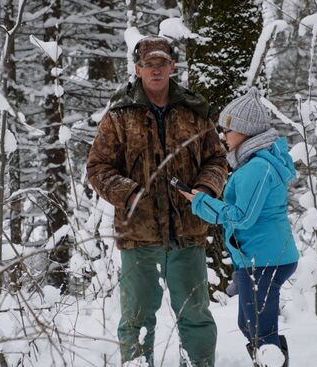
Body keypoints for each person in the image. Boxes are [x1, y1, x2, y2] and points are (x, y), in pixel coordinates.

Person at [86, 36, 228, 366]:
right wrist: (130, 193)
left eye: (162, 63)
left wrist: (205, 190)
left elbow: (217, 160)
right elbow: (97, 168)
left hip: (187, 232)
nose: (156, 70)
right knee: (136, 321)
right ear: (137, 69)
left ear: (172, 67)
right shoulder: (119, 114)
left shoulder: (195, 112)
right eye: (149, 64)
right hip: (138, 235)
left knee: (195, 316)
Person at [180, 88, 299, 366]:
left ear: (246, 131)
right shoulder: (254, 164)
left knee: (261, 330)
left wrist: (201, 202)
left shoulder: (259, 168)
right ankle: (269, 358)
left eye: (228, 129)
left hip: (265, 261)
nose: (223, 136)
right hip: (256, 259)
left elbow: (241, 217)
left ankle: (271, 359)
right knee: (250, 326)